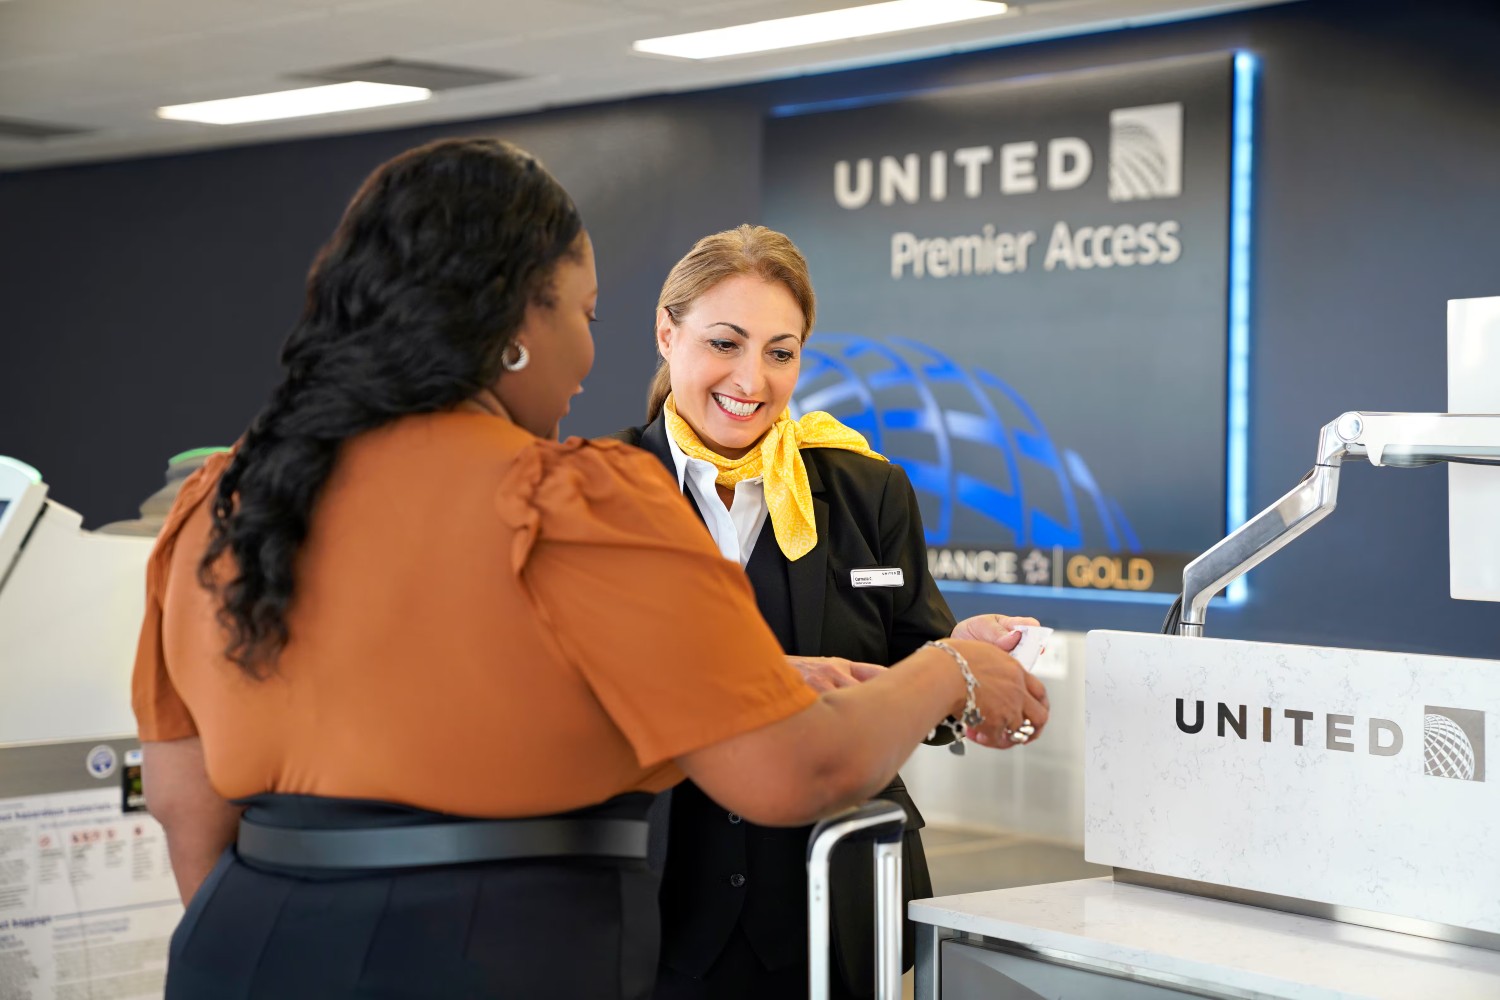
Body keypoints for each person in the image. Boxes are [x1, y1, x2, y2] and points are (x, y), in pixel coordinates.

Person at [130, 140, 1050, 1000]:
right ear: (515, 325)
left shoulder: (220, 501)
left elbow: (185, 805)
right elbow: (793, 772)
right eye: (584, 312)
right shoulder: (572, 497)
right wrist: (947, 669)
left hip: (245, 946)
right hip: (488, 953)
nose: (586, 356)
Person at [610, 224, 1046, 1000]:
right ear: (666, 334)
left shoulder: (865, 490)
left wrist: (958, 660)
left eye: (781, 352)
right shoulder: (600, 495)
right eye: (725, 343)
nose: (753, 378)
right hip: (653, 903)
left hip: (839, 902)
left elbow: (913, 666)